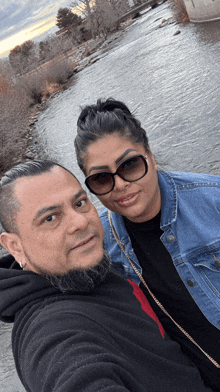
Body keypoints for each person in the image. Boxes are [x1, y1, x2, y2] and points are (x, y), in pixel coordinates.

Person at [0, 160, 214, 392]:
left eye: (80, 203)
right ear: (15, 246)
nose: (80, 222)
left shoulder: (85, 271)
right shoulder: (52, 333)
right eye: (50, 218)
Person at [74, 98, 220, 391]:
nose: (120, 185)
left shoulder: (213, 200)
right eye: (102, 178)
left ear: (150, 155)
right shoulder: (98, 243)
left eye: (129, 165)